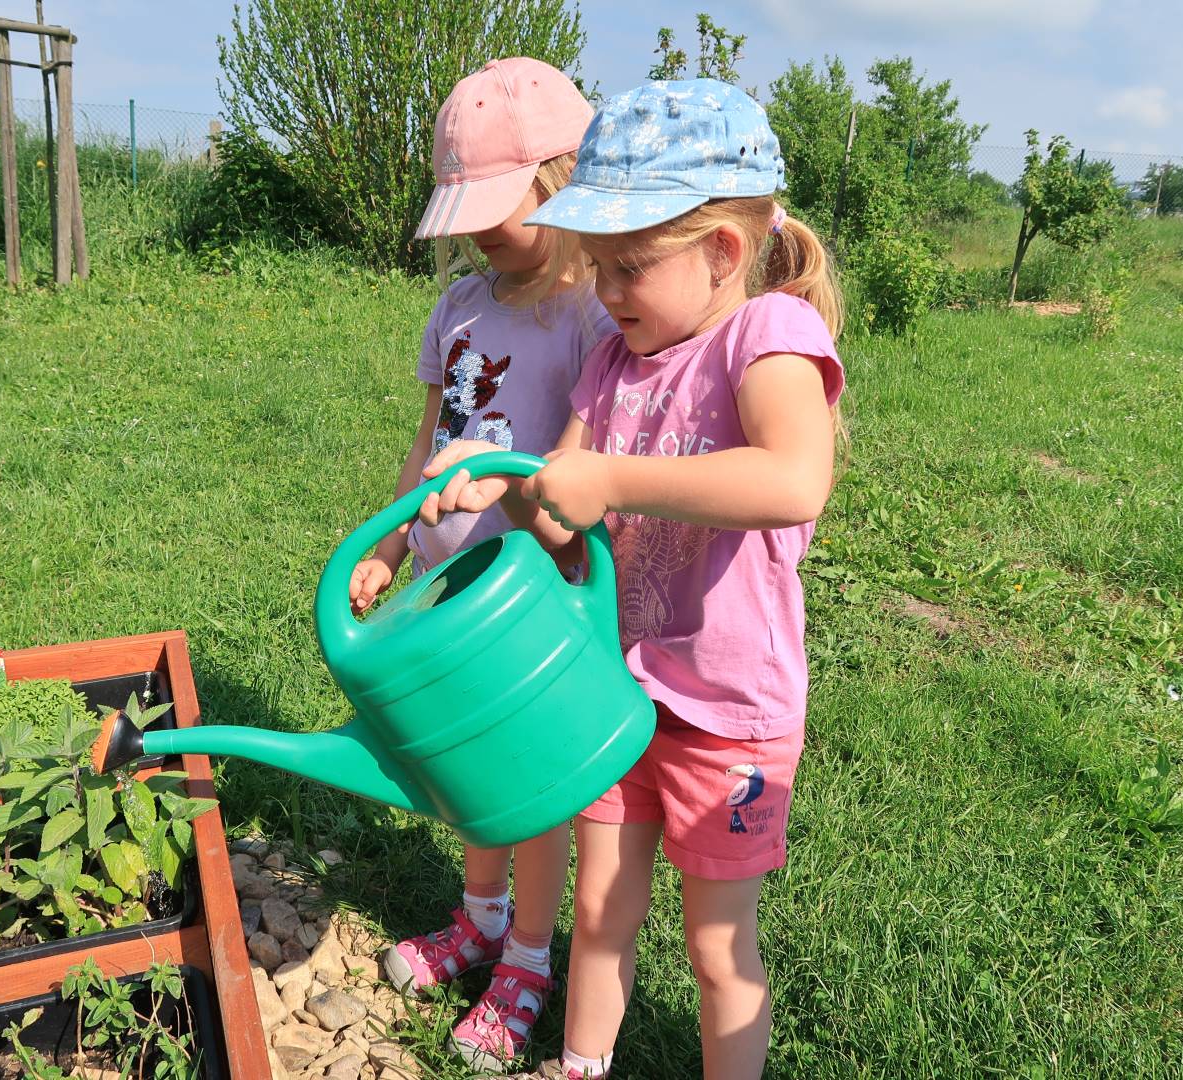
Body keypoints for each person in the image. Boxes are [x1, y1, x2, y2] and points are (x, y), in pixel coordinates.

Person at [419, 78, 846, 1079]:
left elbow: (794, 479)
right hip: (618, 697)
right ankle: (580, 1065)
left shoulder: (768, 338)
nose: (605, 290)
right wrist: (508, 480)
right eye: (600, 264)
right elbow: (565, 524)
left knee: (716, 950)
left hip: (730, 717)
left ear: (722, 252)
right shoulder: (612, 364)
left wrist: (609, 476)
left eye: (628, 266)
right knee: (603, 914)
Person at [346, 56, 615, 1072]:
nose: (479, 231)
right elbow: (426, 447)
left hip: (533, 595)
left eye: (501, 207)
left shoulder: (592, 315)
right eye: (466, 212)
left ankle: (529, 962)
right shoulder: (459, 305)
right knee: (469, 769)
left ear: (562, 182)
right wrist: (387, 543)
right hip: (449, 589)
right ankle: (481, 917)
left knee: (529, 789)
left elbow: (578, 484)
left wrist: (506, 486)